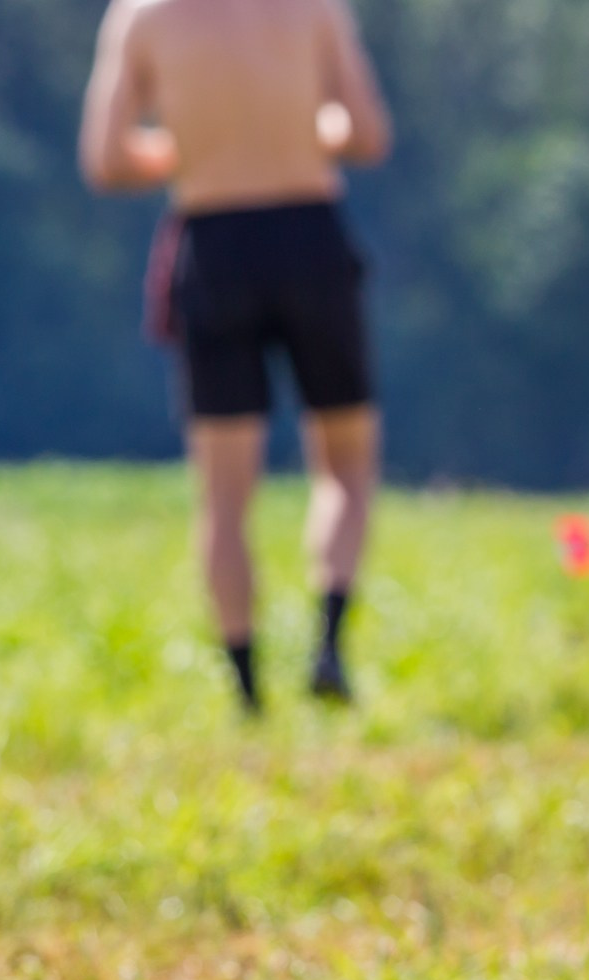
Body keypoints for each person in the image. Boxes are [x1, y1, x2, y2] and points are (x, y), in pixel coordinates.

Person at [79, 0, 392, 711]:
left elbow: (105, 158)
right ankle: (329, 640)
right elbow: (368, 133)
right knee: (345, 462)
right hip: (311, 235)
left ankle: (249, 691)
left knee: (224, 494)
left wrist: (184, 146)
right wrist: (301, 130)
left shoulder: (142, 16)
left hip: (213, 244)